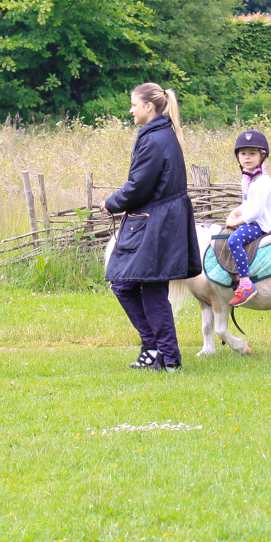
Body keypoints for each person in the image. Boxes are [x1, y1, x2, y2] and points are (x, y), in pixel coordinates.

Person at [102, 83, 201, 371]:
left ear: (149, 106)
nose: (130, 110)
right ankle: (155, 348)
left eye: (134, 104)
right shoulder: (159, 135)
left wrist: (111, 202)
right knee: (126, 284)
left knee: (148, 290)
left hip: (155, 224)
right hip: (158, 222)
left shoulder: (155, 139)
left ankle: (168, 358)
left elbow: (138, 188)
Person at [225, 129, 271, 306]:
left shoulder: (262, 181)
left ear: (262, 155)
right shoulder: (247, 179)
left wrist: (236, 221)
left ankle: (246, 283)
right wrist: (236, 211)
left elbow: (255, 212)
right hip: (253, 217)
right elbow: (248, 203)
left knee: (234, 241)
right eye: (243, 153)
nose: (247, 157)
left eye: (252, 153)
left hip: (261, 223)